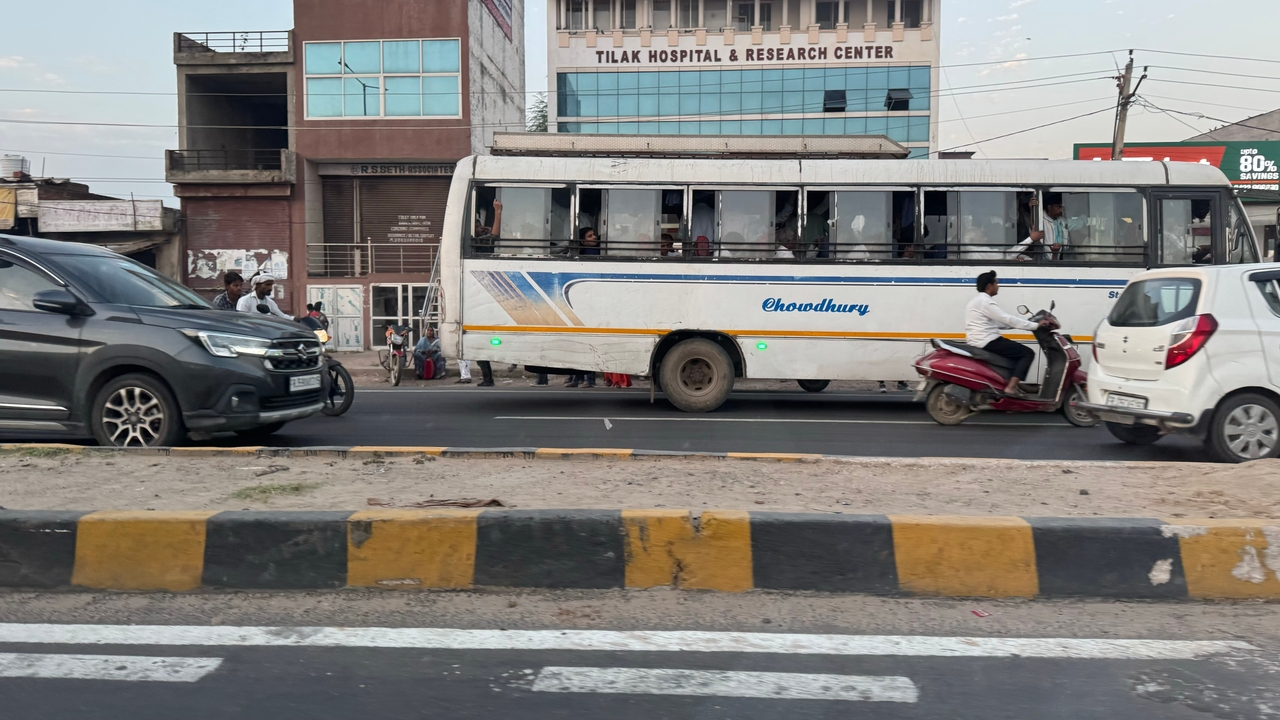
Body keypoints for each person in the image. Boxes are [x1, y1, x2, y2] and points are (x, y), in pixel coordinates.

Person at [966, 270, 1050, 396]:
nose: (998, 286)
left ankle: (1014, 383)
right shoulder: (985, 302)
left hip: (981, 340)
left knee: (1015, 354)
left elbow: (998, 323)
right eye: (996, 283)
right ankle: (1011, 387)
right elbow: (1007, 319)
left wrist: (1021, 324)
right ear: (989, 286)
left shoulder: (978, 301)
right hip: (987, 341)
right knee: (1027, 353)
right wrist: (1035, 325)